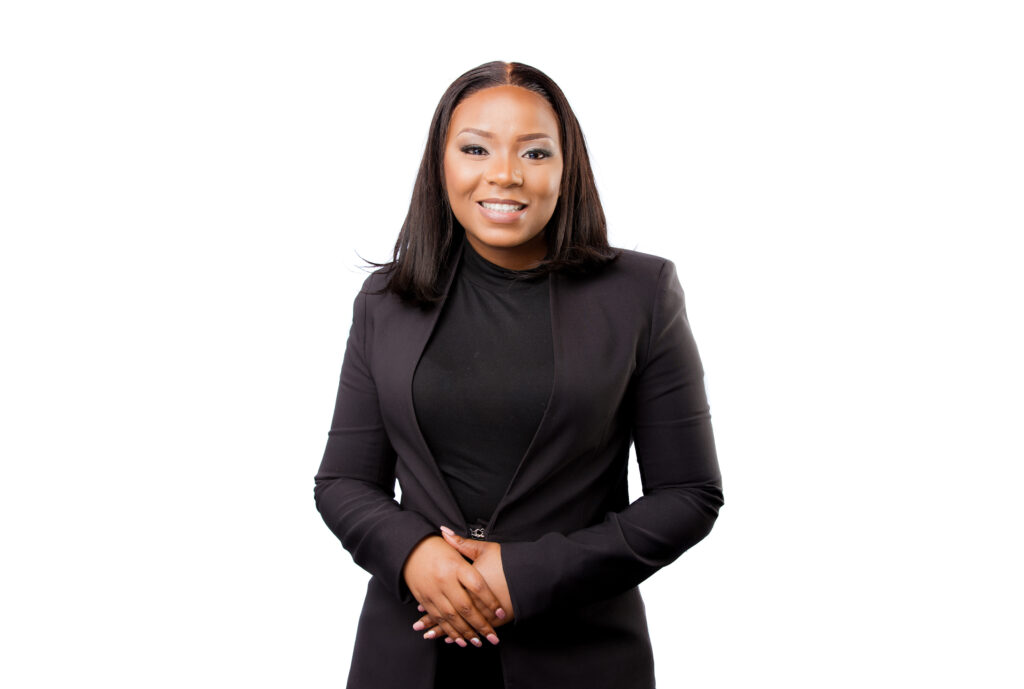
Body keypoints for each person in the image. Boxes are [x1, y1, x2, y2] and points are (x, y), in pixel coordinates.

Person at [314, 60, 723, 689]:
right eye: (475, 148)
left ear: (566, 167)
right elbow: (343, 481)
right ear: (441, 163)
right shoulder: (385, 300)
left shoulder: (641, 293)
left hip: (580, 659)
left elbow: (689, 494)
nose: (504, 174)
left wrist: (527, 574)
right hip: (407, 655)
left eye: (534, 152)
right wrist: (413, 554)